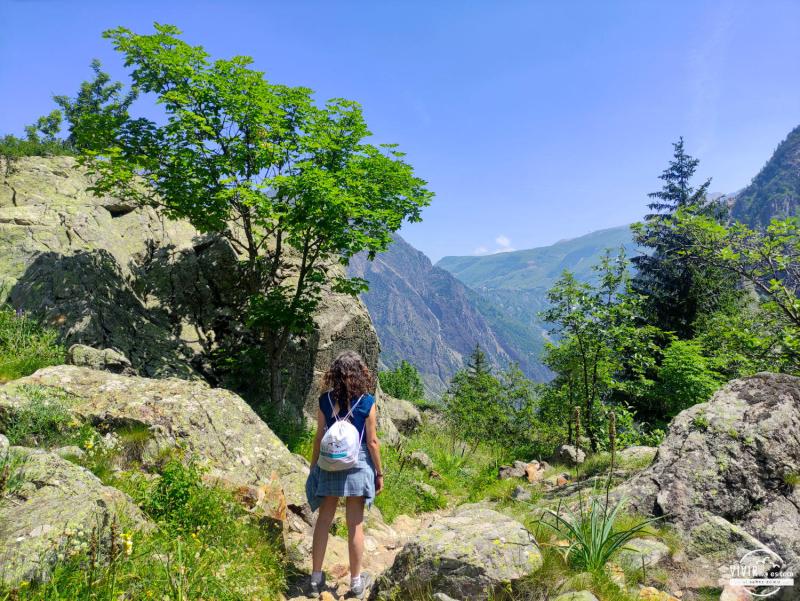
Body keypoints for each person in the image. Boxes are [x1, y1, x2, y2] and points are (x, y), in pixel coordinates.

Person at [305, 350, 384, 599]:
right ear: (359, 374)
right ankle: (356, 582)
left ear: (335, 375)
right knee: (355, 525)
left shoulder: (324, 401)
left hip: (329, 463)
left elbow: (319, 437)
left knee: (324, 520)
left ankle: (316, 578)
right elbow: (372, 442)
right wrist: (379, 473)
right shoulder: (367, 402)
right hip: (358, 464)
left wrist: (314, 467)